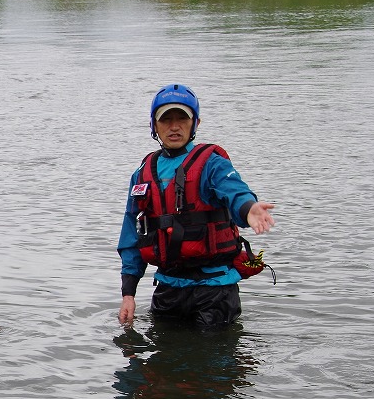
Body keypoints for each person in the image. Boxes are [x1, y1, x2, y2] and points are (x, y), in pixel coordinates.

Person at [117, 84, 276, 329]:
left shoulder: (212, 164)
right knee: (160, 363)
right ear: (154, 125)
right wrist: (128, 293)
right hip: (168, 289)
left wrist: (249, 208)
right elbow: (131, 232)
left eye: (182, 118)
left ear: (196, 123)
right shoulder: (142, 173)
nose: (174, 126)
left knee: (216, 364)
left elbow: (234, 191)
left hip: (215, 293)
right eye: (165, 119)